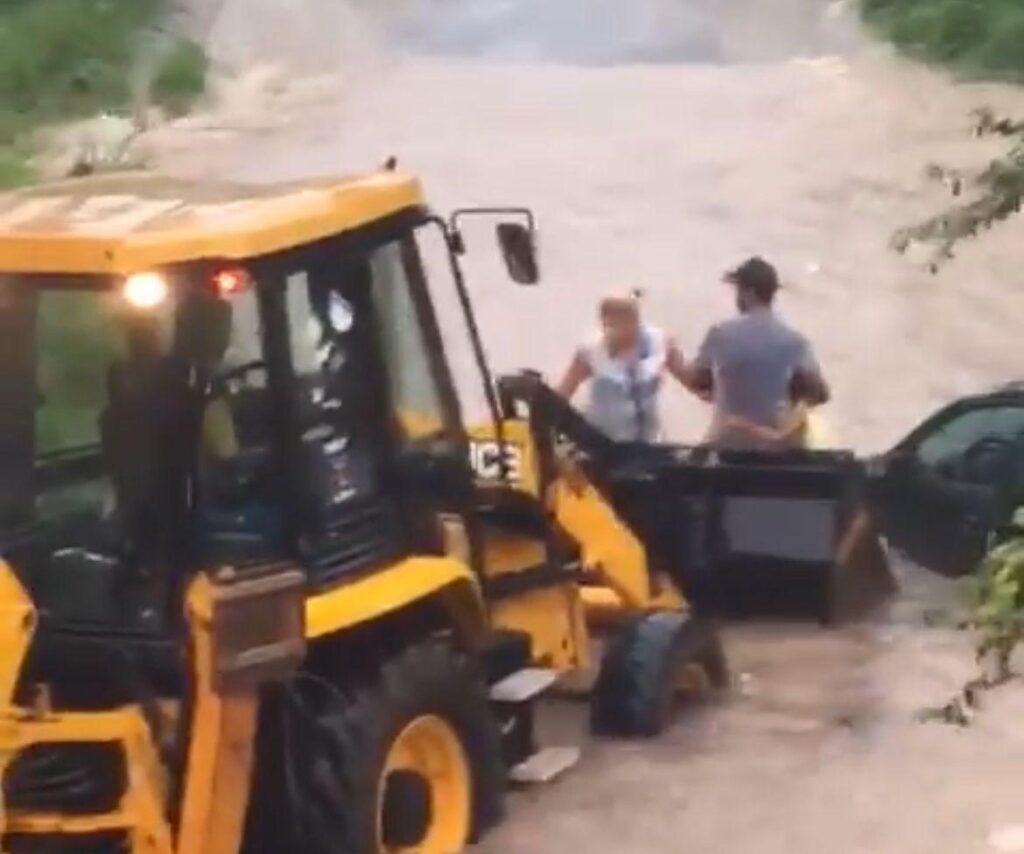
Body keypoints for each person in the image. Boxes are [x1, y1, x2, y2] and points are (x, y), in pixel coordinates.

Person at [681, 257, 830, 450]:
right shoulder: (795, 341)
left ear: (748, 293)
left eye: (738, 291)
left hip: (728, 443)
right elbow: (820, 395)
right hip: (777, 448)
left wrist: (677, 364)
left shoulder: (721, 334)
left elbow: (697, 381)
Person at [558, 291, 688, 443]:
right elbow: (563, 393)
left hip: (649, 441)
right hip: (604, 442)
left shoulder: (659, 343)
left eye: (625, 318)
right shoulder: (591, 351)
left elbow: (692, 380)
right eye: (609, 322)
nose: (613, 328)